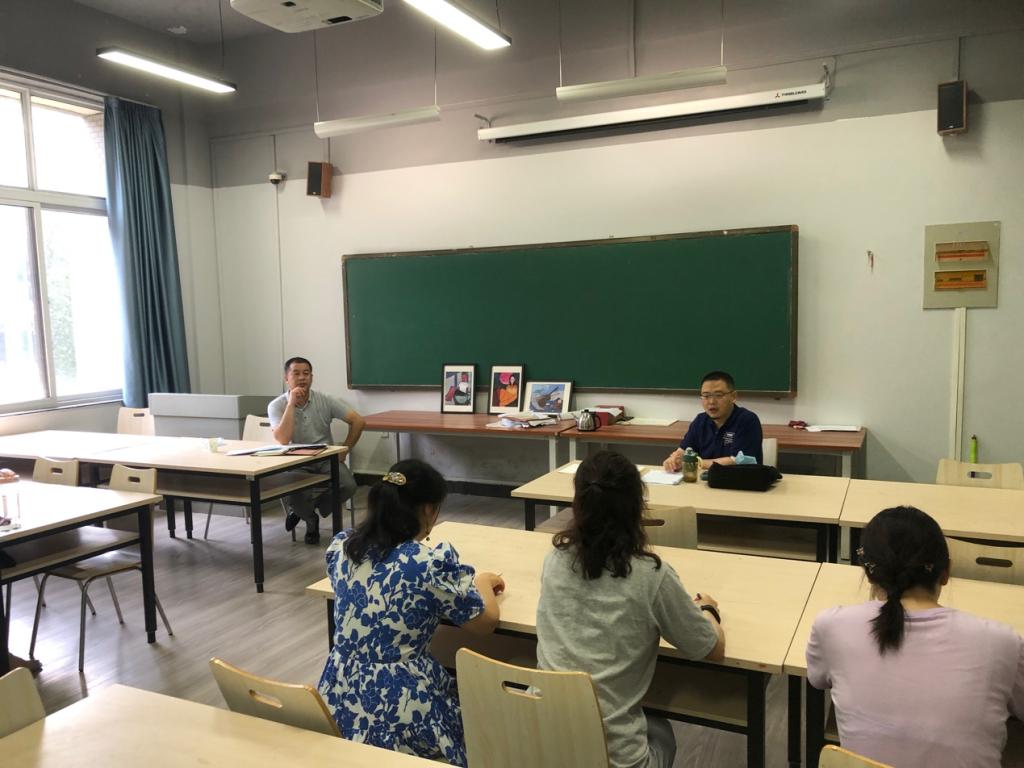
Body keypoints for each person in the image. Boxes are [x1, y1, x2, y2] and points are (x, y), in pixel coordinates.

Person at [536, 450, 725, 768]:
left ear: (578, 504)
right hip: (615, 761)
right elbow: (711, 648)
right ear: (638, 505)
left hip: (541, 746)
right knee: (661, 731)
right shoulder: (651, 574)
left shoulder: (555, 560)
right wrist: (708, 610)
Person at [318, 459, 505, 765]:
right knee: (479, 722)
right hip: (401, 705)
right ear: (429, 510)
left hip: (338, 696)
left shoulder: (344, 549)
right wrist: (483, 582)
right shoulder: (426, 564)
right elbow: (485, 623)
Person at [806, 506, 1024, 767]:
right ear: (946, 572)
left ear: (868, 573)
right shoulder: (1003, 643)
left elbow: (818, 679)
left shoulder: (831, 625)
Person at [268, 356, 364, 544]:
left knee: (348, 485)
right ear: (286, 378)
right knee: (294, 493)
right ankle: (311, 520)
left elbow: (358, 421)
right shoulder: (277, 405)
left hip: (325, 458)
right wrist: (291, 404)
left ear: (312, 377)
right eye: (296, 373)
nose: (302, 378)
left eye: (306, 373)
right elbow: (283, 439)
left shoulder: (325, 400)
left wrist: (345, 449)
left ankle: (304, 510)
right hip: (295, 461)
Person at [662, 370, 763, 470]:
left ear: (733, 396)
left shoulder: (747, 420)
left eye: (718, 395)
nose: (711, 402)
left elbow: (737, 461)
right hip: (704, 478)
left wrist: (695, 463)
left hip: (738, 479)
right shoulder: (700, 421)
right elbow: (684, 450)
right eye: (706, 396)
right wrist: (675, 459)